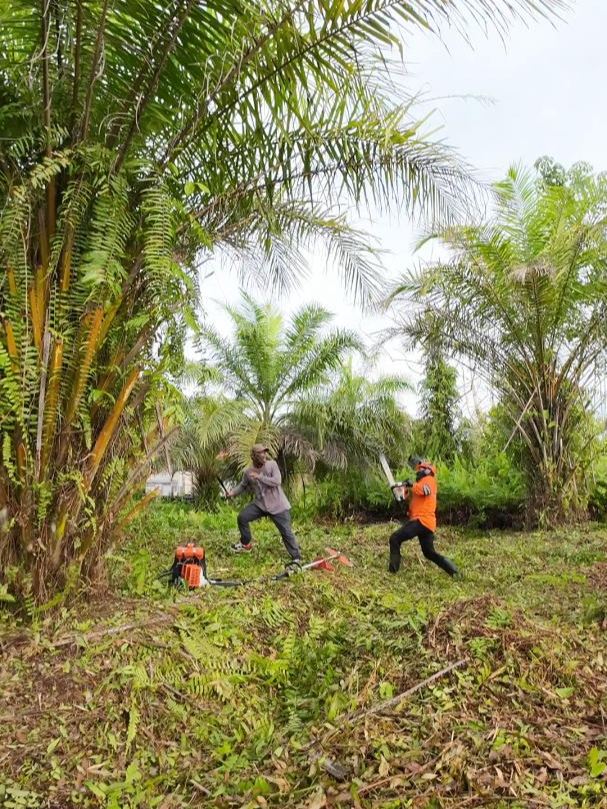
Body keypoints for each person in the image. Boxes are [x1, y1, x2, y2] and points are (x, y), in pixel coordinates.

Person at [222, 444, 301, 560]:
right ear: (253, 455)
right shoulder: (248, 472)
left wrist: (259, 477)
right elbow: (243, 486)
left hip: (278, 505)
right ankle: (245, 543)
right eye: (261, 453)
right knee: (242, 517)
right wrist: (232, 493)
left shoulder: (272, 465)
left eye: (265, 452)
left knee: (286, 531)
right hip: (261, 505)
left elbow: (277, 481)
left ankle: (296, 556)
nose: (264, 455)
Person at [388, 455, 459, 576]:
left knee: (394, 538)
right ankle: (454, 572)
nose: (417, 473)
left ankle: (392, 571)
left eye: (419, 470)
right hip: (426, 524)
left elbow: (424, 490)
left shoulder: (429, 480)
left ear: (426, 470)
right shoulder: (420, 485)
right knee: (429, 553)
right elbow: (412, 509)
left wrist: (411, 485)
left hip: (421, 521)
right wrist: (401, 499)